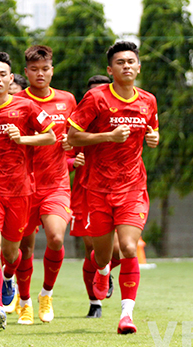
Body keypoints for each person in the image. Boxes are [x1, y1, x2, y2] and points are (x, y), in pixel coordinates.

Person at [67, 41, 159, 334]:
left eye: (131, 62)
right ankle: (103, 271)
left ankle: (126, 315)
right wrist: (107, 136)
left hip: (132, 186)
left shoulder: (148, 100)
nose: (126, 67)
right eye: (120, 63)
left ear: (139, 67)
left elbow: (152, 128)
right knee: (103, 254)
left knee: (130, 247)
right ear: (110, 69)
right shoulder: (96, 98)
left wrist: (154, 138)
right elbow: (72, 137)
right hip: (96, 188)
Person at [0, 51, 56, 330]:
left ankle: (8, 277)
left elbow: (51, 135)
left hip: (19, 191)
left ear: (10, 78)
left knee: (11, 253)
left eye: (2, 74)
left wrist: (24, 138)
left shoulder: (26, 107)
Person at [2, 45, 76, 325]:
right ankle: (25, 301)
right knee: (24, 249)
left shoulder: (67, 100)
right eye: (34, 69)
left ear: (52, 70)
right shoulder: (15, 102)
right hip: (22, 185)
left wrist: (71, 142)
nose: (40, 73)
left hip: (56, 183)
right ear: (25, 72)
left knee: (56, 237)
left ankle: (46, 294)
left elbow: (75, 133)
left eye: (45, 68)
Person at [68, 74, 121, 319]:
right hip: (85, 192)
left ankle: (104, 269)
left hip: (116, 191)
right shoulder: (79, 126)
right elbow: (59, 152)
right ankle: (94, 302)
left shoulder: (119, 123)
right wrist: (71, 161)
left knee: (117, 251)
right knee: (92, 245)